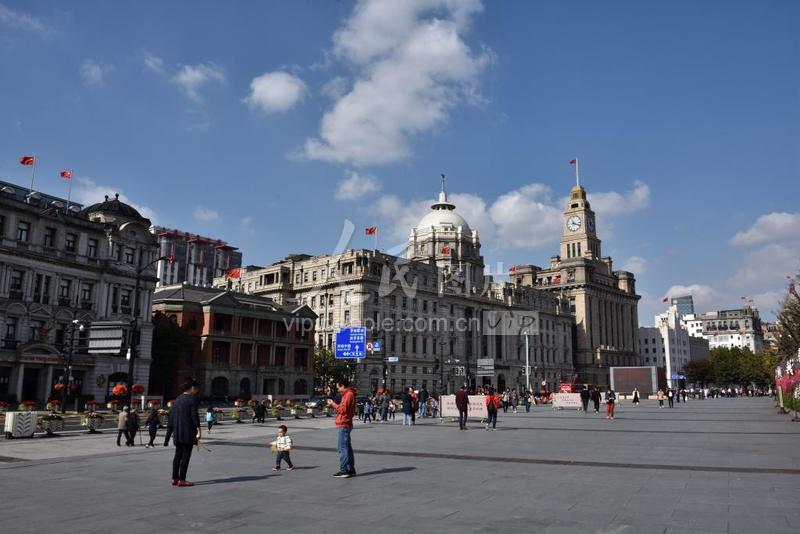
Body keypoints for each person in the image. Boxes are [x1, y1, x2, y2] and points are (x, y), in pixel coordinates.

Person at [168, 378, 201, 487]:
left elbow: (172, 415)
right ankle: (182, 480)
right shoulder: (192, 399)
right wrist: (199, 430)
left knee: (177, 455)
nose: (196, 391)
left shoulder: (177, 399)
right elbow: (194, 417)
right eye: (196, 389)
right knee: (186, 457)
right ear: (192, 388)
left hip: (178, 432)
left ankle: (174, 478)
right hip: (188, 432)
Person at [327, 379, 356, 478]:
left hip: (344, 423)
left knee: (342, 448)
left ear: (342, 385)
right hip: (346, 423)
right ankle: (351, 469)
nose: (338, 390)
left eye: (338, 387)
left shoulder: (348, 395)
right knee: (347, 447)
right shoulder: (348, 394)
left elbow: (343, 410)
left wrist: (333, 404)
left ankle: (344, 470)